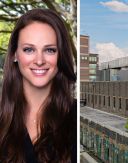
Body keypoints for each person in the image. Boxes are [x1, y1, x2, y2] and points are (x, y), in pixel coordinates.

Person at [0, 9, 76, 162]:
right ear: (15, 54)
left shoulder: (75, 118)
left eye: (49, 50)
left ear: (60, 55)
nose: (39, 60)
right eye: (29, 49)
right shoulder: (3, 116)